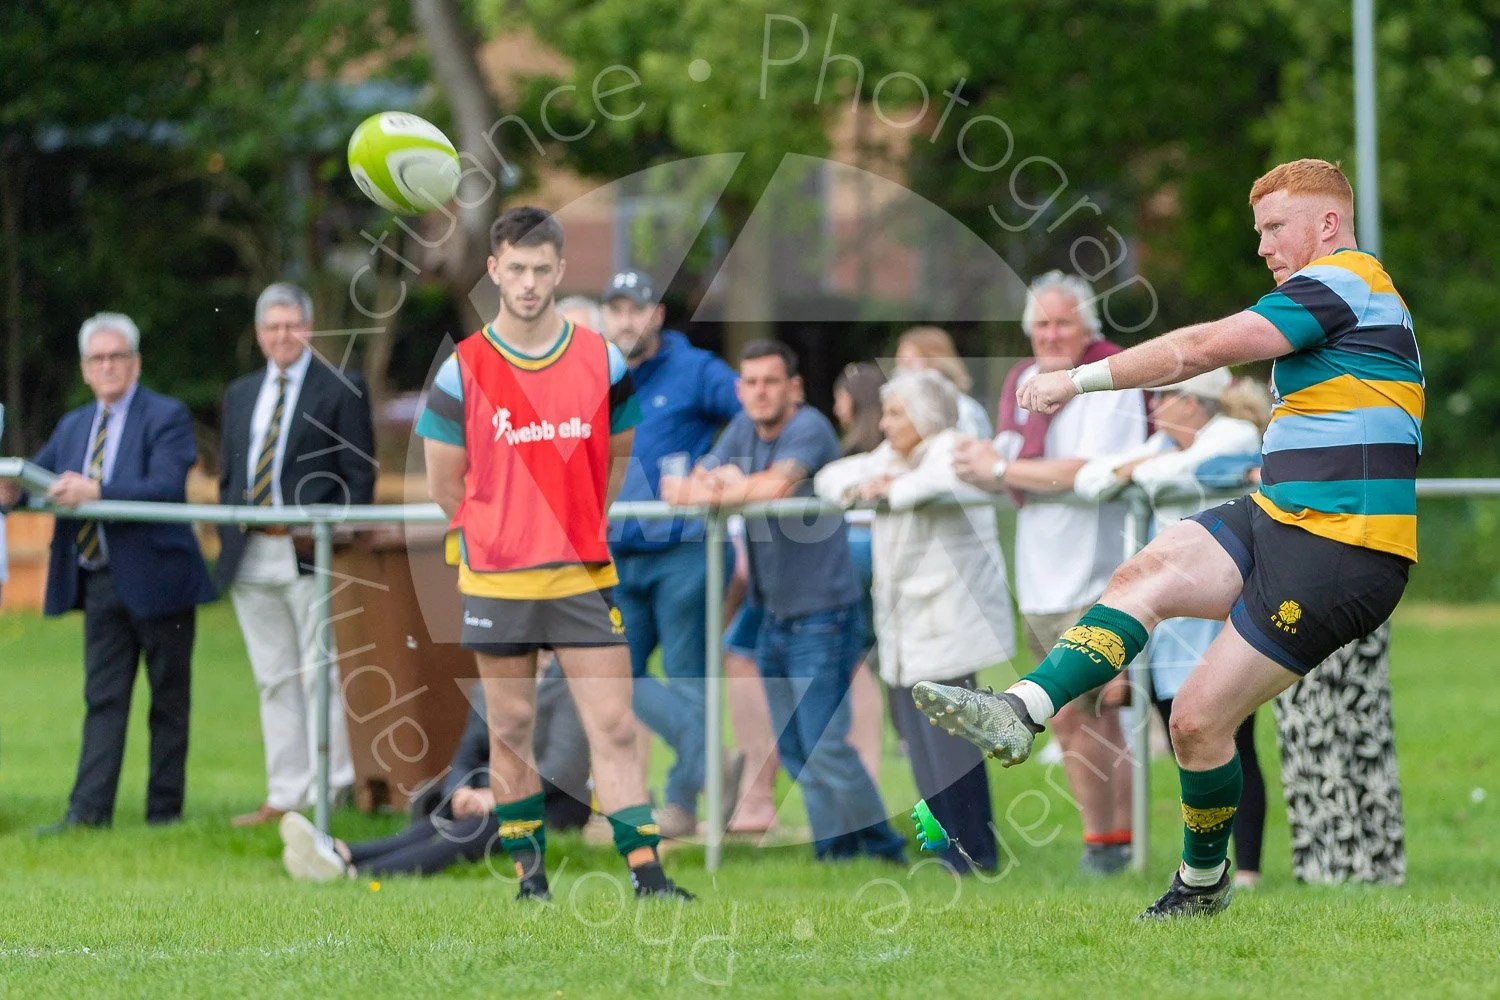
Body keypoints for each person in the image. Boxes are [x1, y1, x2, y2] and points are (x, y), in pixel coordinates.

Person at [917, 158, 1422, 919]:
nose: (1263, 247)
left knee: (1195, 719)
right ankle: (1019, 711)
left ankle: (1201, 882)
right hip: (1281, 515)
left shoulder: (1347, 278)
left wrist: (1078, 379)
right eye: (1259, 233)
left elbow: (1202, 351)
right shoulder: (1331, 295)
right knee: (1144, 575)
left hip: (1344, 551)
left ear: (1327, 224)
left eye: (1274, 228)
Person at [416, 205, 691, 901]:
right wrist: (501, 529)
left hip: (582, 574)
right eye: (517, 270)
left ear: (562, 270)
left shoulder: (601, 358)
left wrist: (573, 524)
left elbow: (618, 456)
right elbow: (445, 482)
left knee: (615, 726)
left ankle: (649, 878)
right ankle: (529, 879)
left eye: (543, 270)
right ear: (494, 270)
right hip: (497, 577)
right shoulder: (465, 368)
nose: (531, 283)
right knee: (510, 728)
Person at [663, 340, 906, 864]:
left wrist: (723, 487)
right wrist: (723, 485)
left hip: (822, 611)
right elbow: (681, 486)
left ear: (792, 388)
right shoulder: (742, 430)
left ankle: (882, 848)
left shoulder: (809, 427)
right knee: (793, 747)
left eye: (771, 381)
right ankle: (837, 850)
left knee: (824, 742)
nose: (760, 392)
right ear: (739, 390)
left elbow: (774, 488)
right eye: (750, 383)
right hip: (772, 611)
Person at [952, 271, 1148, 876]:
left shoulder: (1110, 376)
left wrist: (1000, 467)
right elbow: (1005, 463)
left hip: (1097, 574)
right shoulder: (1021, 381)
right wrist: (981, 464)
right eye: (1041, 323)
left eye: (1063, 322)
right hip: (1038, 575)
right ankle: (1107, 840)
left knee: (1084, 714)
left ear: (1087, 327)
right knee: (1071, 722)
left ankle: (1110, 845)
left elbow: (1083, 471)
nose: (1051, 334)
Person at [0, 313, 215, 832]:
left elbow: (165, 486)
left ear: (136, 363)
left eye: (118, 356)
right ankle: (86, 813)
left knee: (168, 702)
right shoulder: (74, 424)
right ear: (84, 369)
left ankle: (165, 814)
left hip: (163, 583)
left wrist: (98, 492)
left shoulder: (166, 415)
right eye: (98, 358)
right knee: (103, 699)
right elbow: (44, 478)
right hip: (98, 581)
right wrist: (14, 492)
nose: (109, 366)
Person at [1072, 369, 1266, 887]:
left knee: (1230, 736)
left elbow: (1188, 473)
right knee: (1182, 732)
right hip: (1171, 611)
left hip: (1220, 603)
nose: (1155, 403)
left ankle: (1246, 866)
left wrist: (1137, 470)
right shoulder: (1160, 444)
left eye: (1166, 394)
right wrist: (1143, 466)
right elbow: (1090, 480)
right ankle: (1204, 860)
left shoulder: (1232, 433)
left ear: (1196, 403)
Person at [815, 369, 1014, 873]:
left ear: (925, 416)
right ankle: (948, 851)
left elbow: (937, 481)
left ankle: (976, 852)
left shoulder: (953, 445)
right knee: (920, 744)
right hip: (907, 626)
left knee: (951, 744)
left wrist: (889, 488)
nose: (884, 424)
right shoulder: (895, 456)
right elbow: (831, 476)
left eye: (897, 413)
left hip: (949, 619)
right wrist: (868, 486)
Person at [216, 282, 374, 828]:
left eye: (292, 325)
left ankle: (334, 787)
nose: (283, 336)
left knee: (319, 673)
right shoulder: (240, 393)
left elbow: (360, 480)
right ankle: (285, 793)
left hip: (310, 554)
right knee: (273, 677)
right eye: (272, 327)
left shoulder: (341, 388)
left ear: (309, 329)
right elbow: (230, 474)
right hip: (249, 555)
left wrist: (324, 528)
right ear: (259, 335)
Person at [599, 267, 744, 839]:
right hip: (616, 551)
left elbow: (750, 415)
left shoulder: (696, 369)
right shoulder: (597, 375)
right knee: (615, 674)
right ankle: (713, 760)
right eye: (616, 309)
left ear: (657, 316)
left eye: (636, 308)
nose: (625, 320)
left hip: (685, 548)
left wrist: (713, 470)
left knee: (687, 676)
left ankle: (681, 804)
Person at [280, 659, 591, 880]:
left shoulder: (566, 687)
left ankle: (355, 873)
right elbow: (467, 753)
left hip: (552, 803)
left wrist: (496, 798)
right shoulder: (490, 686)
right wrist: (461, 792)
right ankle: (342, 851)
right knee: (437, 821)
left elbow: (560, 770)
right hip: (484, 794)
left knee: (468, 832)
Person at [831, 361, 890, 788]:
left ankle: (866, 772)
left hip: (855, 556)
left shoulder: (851, 457)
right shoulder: (894, 450)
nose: (836, 408)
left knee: (856, 665)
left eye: (839, 398)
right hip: (885, 557)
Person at [893, 326, 993, 437]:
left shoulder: (965, 409)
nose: (901, 373)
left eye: (910, 363)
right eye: (900, 362)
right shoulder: (905, 411)